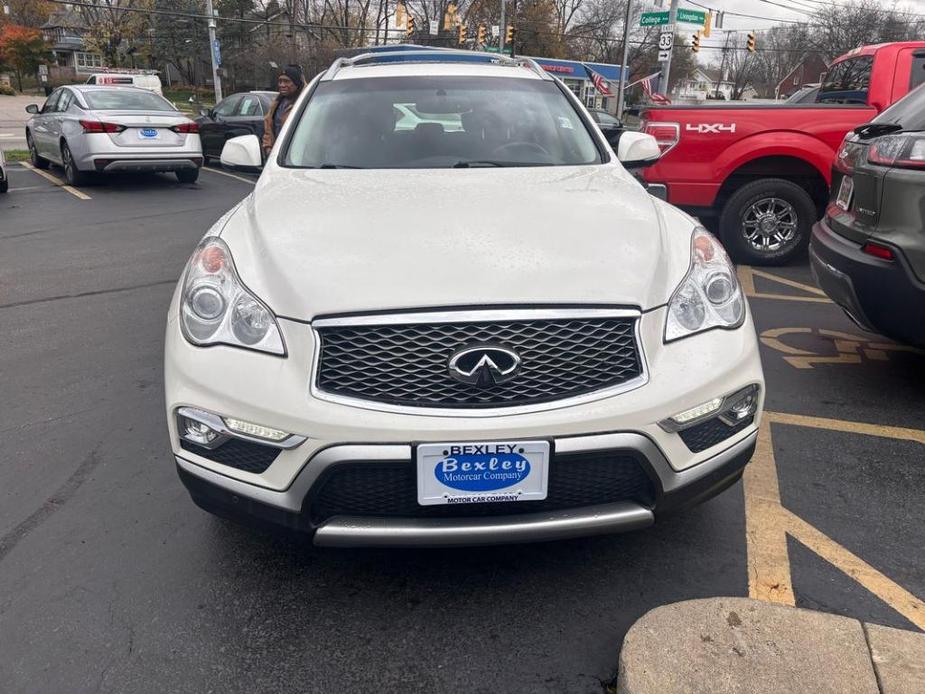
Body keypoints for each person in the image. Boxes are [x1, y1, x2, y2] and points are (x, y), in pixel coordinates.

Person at [262, 64, 306, 156]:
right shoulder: (277, 103)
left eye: (286, 81)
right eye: (280, 81)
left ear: (297, 83)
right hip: (275, 158)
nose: (282, 85)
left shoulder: (306, 103)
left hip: (296, 158)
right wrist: (268, 147)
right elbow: (268, 129)